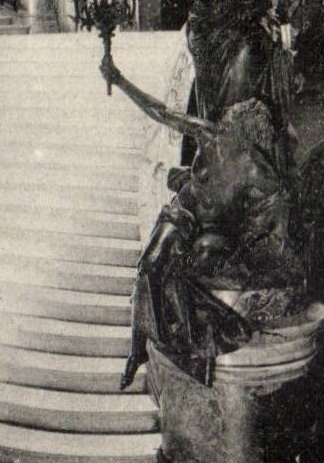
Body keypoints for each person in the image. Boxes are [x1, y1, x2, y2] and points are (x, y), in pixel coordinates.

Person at [102, 48, 305, 389]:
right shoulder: (211, 134)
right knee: (149, 266)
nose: (228, 118)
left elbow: (276, 209)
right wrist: (120, 80)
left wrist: (270, 247)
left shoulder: (256, 169)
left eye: (236, 117)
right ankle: (137, 350)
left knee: (176, 273)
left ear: (251, 130)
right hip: (184, 211)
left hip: (214, 230)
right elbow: (162, 112)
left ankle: (175, 350)